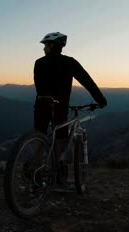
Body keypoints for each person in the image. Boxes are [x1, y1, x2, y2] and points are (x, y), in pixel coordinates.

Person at [33, 32, 107, 185]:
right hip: (60, 107)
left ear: (52, 45)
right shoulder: (70, 62)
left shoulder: (38, 63)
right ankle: (57, 169)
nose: (44, 48)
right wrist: (101, 100)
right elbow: (87, 81)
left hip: (41, 104)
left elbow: (39, 86)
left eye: (45, 45)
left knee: (39, 137)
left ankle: (35, 172)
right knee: (61, 138)